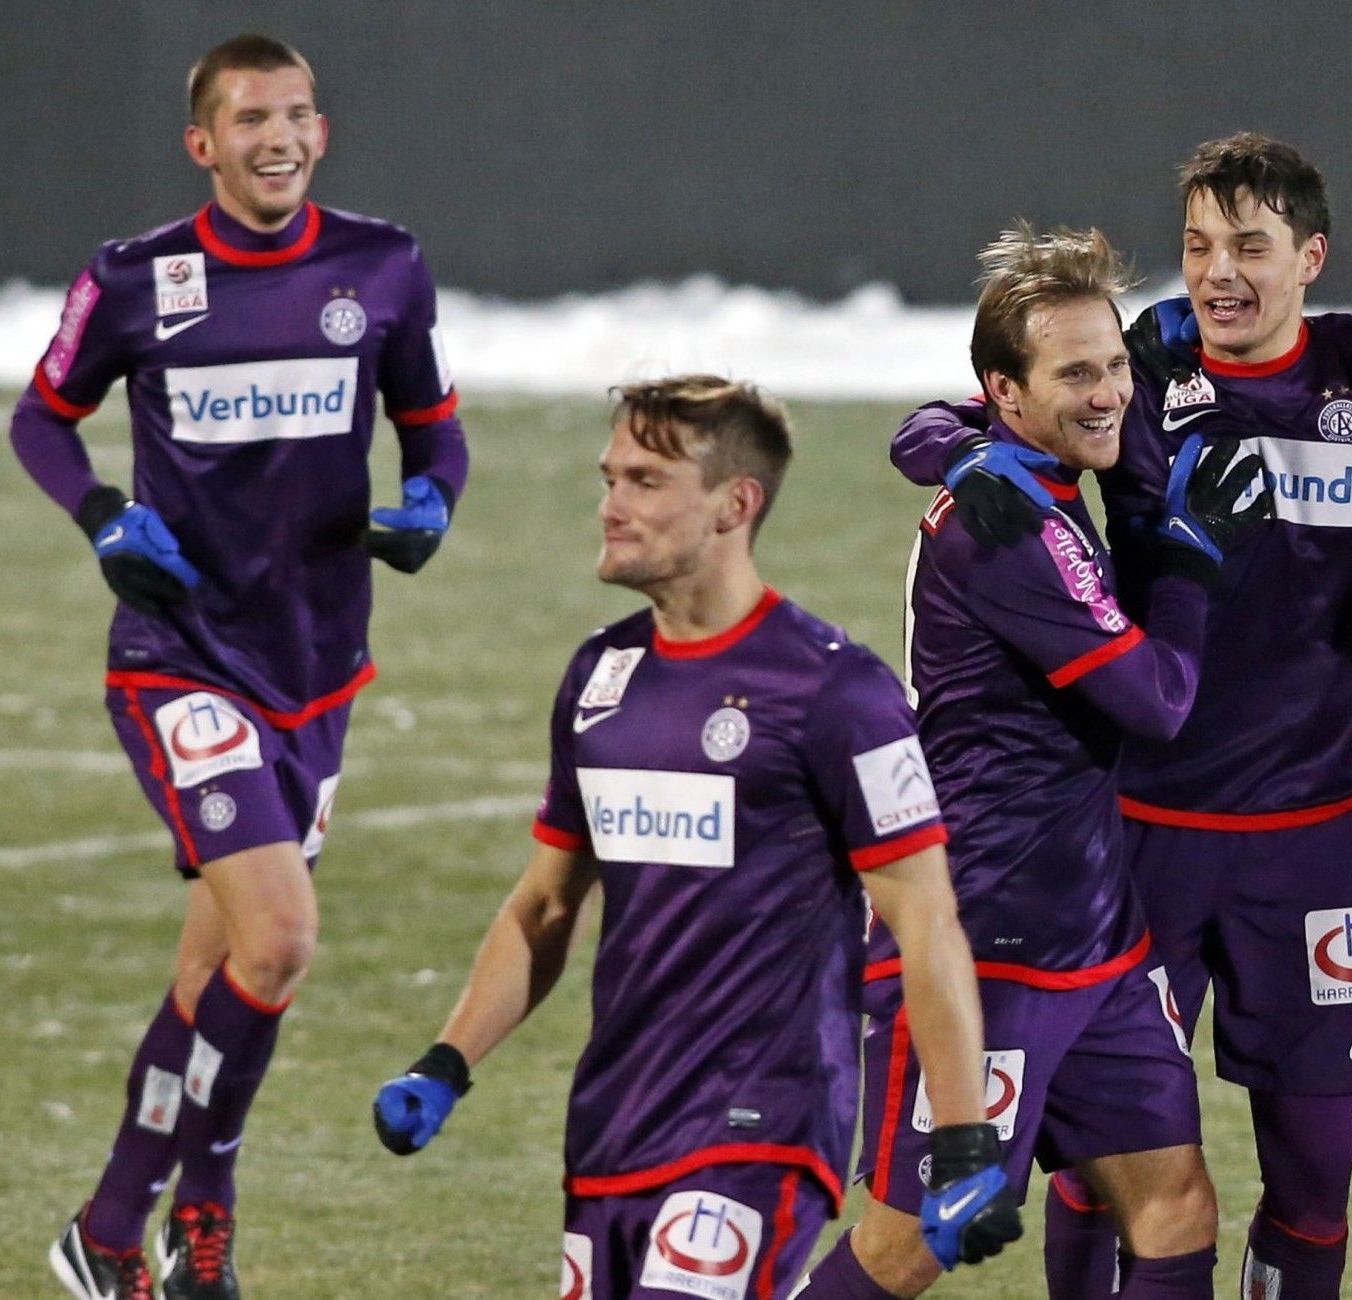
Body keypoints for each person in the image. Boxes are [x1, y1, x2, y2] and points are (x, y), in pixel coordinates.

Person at [887, 134, 1352, 1299]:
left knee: (1312, 1172)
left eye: (1247, 245)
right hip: (1145, 829)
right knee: (1108, 1168)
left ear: (1310, 256)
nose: (1216, 271)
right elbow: (964, 409)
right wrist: (948, 446)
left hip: (1318, 831)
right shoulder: (1132, 376)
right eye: (1195, 245)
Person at [372, 376, 1017, 1298]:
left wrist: (959, 1142)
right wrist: (446, 1062)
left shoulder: (836, 692)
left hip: (763, 1122)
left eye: (644, 481)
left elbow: (925, 920)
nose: (610, 506)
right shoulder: (601, 678)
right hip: (615, 1121)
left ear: (733, 503)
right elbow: (547, 904)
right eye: (610, 478)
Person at [12, 34, 468, 1300]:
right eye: (250, 117)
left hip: (318, 673)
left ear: (320, 133)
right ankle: (197, 1201)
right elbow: (41, 414)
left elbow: (435, 431)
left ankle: (108, 1234)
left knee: (214, 972)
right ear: (203, 145)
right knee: (277, 941)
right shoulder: (137, 280)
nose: (278, 135)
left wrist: (429, 501)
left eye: (298, 114)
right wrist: (104, 516)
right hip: (181, 661)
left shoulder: (380, 268)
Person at [801, 226, 1268, 1300]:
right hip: (986, 932)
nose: (1106, 392)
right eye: (1075, 374)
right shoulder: (1013, 528)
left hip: (1091, 928)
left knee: (1170, 1199)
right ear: (1004, 392)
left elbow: (925, 427)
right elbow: (1154, 702)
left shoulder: (1027, 463)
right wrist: (1191, 568)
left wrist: (944, 439)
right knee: (907, 1242)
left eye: (1111, 364)